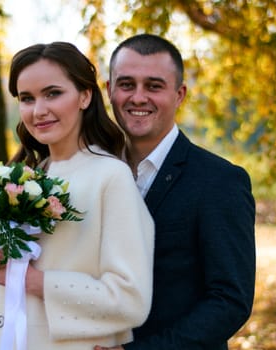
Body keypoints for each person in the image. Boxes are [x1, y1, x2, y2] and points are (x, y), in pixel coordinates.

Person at [0, 41, 155, 349]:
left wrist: (39, 283)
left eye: (52, 93)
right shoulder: (25, 178)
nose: (39, 111)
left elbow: (130, 298)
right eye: (27, 98)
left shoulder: (111, 178)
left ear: (85, 96)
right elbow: (3, 309)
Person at [95, 34, 256, 349]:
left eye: (154, 86)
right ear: (109, 90)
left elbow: (229, 300)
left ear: (179, 94)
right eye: (126, 84)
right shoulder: (93, 173)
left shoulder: (219, 181)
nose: (138, 97)